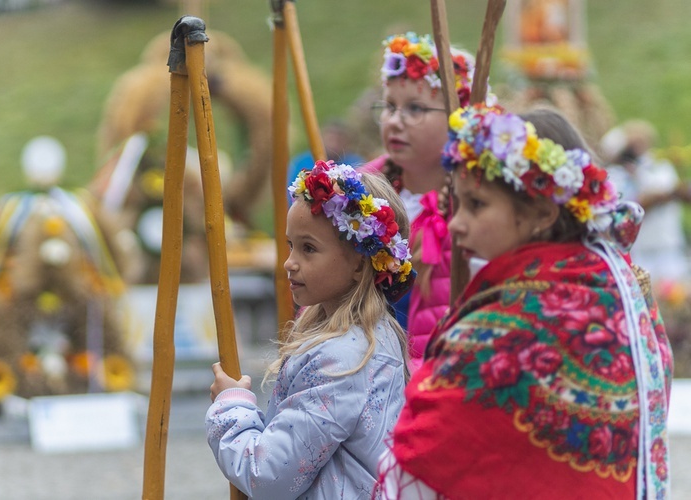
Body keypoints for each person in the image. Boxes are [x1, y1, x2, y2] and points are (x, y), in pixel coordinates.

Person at [375, 105, 673, 498]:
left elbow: (418, 458)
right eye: (458, 203)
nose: (456, 223)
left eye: (477, 204)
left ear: (542, 213)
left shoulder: (502, 329)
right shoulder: (619, 283)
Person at [206, 160, 415, 499]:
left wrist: (231, 408)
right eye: (291, 245)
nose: (290, 262)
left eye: (309, 248)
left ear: (360, 265)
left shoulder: (341, 360)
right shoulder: (370, 336)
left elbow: (269, 475)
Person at [361, 31, 492, 372]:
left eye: (415, 108)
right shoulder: (358, 195)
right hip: (362, 372)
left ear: (459, 118)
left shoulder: (474, 208)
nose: (394, 120)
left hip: (440, 379)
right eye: (389, 106)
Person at [600, 119, 691, 283]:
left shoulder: (661, 167)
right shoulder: (616, 174)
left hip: (668, 246)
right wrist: (666, 194)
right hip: (638, 251)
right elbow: (632, 207)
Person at [286, 119, 365, 187]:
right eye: (331, 139)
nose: (334, 144)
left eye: (339, 140)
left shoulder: (355, 164)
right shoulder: (302, 162)